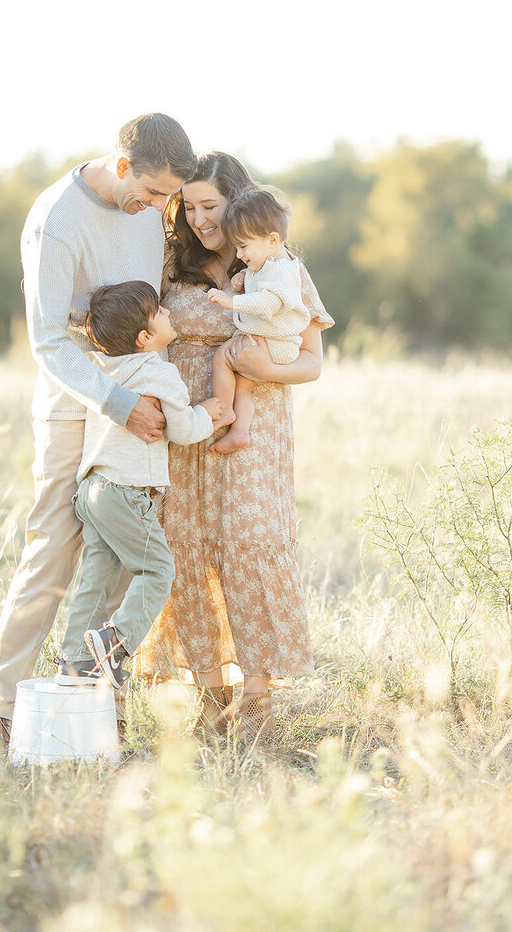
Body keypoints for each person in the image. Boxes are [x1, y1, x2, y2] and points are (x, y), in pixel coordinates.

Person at [0, 114, 196, 747]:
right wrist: (117, 400)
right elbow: (49, 340)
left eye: (169, 198)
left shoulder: (149, 213)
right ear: (123, 164)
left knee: (116, 548)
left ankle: (88, 694)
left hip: (133, 390)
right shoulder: (58, 219)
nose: (160, 209)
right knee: (53, 540)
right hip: (76, 394)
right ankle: (1, 703)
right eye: (155, 192)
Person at [135, 152, 334, 739]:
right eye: (188, 207)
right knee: (187, 547)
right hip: (186, 424)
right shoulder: (172, 264)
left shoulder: (281, 265)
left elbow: (312, 364)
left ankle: (255, 704)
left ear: (238, 200)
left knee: (249, 544)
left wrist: (256, 369)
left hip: (256, 422)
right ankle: (209, 697)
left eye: (210, 206)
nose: (198, 219)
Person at [58, 280, 221, 687]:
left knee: (95, 577)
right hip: (127, 492)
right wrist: (210, 414)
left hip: (93, 489)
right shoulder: (158, 371)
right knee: (159, 570)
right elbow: (182, 430)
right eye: (160, 313)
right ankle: (116, 642)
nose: (168, 314)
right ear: (146, 338)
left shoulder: (100, 367)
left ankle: (75, 662)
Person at [206, 188, 310, 453]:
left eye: (244, 246)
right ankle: (239, 430)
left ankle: (224, 411)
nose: (240, 254)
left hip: (275, 344)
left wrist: (231, 301)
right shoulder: (270, 265)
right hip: (274, 342)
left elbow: (267, 303)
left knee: (222, 357)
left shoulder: (282, 271)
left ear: (272, 240)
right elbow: (262, 286)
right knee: (243, 384)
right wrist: (244, 279)